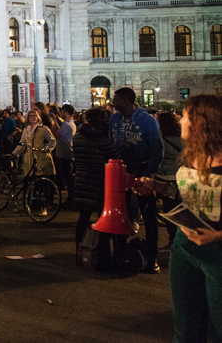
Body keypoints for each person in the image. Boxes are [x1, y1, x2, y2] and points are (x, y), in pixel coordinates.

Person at [136, 95, 222, 342]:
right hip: (185, 249)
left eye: (184, 115)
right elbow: (187, 192)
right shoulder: (191, 155)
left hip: (217, 251)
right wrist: (156, 186)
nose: (179, 120)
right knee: (185, 327)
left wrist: (217, 235)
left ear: (201, 122)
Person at [109, 86, 163, 273]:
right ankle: (121, 251)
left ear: (125, 100)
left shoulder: (147, 121)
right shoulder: (114, 119)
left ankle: (151, 255)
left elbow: (157, 149)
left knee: (148, 214)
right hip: (122, 170)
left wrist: (148, 174)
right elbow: (111, 143)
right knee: (120, 212)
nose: (112, 102)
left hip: (142, 168)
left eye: (115, 99)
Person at [72, 107, 120, 253]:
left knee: (83, 216)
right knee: (103, 217)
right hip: (100, 180)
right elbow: (114, 157)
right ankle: (103, 251)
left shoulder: (78, 136)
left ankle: (79, 248)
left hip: (81, 178)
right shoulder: (103, 138)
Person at [155, 111, 184, 247]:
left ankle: (173, 239)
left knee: (169, 210)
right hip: (180, 177)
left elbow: (159, 159)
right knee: (179, 209)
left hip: (165, 177)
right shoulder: (182, 139)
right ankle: (179, 238)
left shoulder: (162, 140)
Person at [12, 110, 55, 177]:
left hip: (41, 157)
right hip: (29, 158)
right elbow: (22, 143)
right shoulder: (26, 130)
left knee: (42, 179)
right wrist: (14, 154)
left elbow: (52, 141)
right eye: (30, 116)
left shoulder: (44, 128)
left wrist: (47, 148)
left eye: (34, 116)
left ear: (38, 117)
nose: (33, 118)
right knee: (30, 179)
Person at [55, 104, 77, 207]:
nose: (60, 113)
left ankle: (71, 199)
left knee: (68, 178)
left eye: (61, 111)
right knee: (68, 178)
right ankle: (71, 198)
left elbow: (56, 135)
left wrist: (54, 123)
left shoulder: (67, 124)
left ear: (66, 112)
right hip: (65, 154)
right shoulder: (69, 124)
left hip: (65, 154)